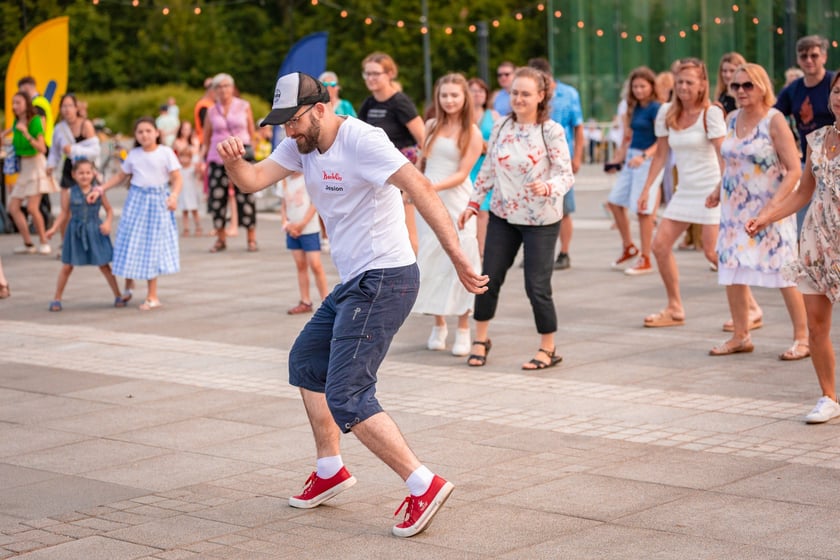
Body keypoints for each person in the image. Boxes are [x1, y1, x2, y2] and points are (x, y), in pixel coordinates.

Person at [216, 71, 487, 537]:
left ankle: (423, 483)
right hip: (356, 281)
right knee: (306, 362)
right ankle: (329, 469)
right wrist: (232, 162)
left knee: (347, 394)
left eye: (294, 121)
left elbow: (419, 188)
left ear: (320, 109)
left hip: (386, 277)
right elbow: (253, 179)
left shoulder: (362, 140)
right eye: (281, 124)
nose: (288, 131)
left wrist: (457, 255)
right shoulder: (301, 143)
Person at [458, 66, 574, 370]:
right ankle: (481, 339)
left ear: (540, 96)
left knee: (536, 285)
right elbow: (489, 170)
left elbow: (566, 175)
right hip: (503, 215)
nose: (519, 99)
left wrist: (548, 186)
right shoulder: (501, 127)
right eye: (515, 93)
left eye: (525, 93)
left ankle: (548, 347)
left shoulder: (551, 131)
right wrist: (472, 204)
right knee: (488, 278)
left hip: (541, 220)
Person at [745, 71, 840, 423]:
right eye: (836, 91)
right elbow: (803, 192)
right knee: (816, 326)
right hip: (817, 242)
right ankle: (829, 397)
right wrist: (767, 216)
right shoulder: (816, 139)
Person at [705, 63, 808, 359]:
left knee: (783, 271)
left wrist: (772, 210)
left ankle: (803, 338)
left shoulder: (774, 121)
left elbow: (793, 171)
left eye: (747, 85)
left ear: (762, 86)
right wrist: (717, 189)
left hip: (770, 209)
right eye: (735, 86)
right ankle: (741, 335)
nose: (740, 91)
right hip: (734, 210)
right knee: (732, 269)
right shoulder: (733, 118)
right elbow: (733, 164)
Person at [639, 58, 725, 328]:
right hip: (684, 191)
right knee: (660, 246)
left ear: (702, 85)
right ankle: (674, 307)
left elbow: (724, 156)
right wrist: (647, 189)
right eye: (679, 81)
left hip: (712, 188)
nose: (683, 86)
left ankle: (750, 307)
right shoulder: (666, 111)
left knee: (712, 253)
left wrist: (722, 188)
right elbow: (661, 155)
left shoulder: (711, 113)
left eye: (689, 82)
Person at [414, 73, 483, 356]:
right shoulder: (430, 125)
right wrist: (416, 187)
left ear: (464, 97)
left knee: (462, 260)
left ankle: (464, 328)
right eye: (444, 95)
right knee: (430, 261)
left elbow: (462, 174)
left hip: (456, 201)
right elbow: (420, 163)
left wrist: (431, 186)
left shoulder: (472, 132)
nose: (449, 100)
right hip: (427, 201)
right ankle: (438, 324)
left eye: (455, 95)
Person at [88, 116, 182, 311]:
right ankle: (128, 284)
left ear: (157, 132)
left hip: (158, 204)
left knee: (151, 248)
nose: (145, 135)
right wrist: (101, 188)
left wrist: (174, 196)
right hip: (136, 201)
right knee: (128, 243)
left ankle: (152, 295)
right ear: (136, 136)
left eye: (148, 130)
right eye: (140, 132)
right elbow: (121, 176)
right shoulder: (134, 154)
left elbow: (176, 178)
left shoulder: (165, 153)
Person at [358, 52, 425, 254]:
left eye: (375, 73)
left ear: (389, 74)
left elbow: (424, 140)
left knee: (408, 234)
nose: (370, 78)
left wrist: (415, 179)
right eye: (367, 74)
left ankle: (415, 279)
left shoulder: (400, 102)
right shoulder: (369, 104)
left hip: (402, 174)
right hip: (378, 176)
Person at [44, 160, 128, 311]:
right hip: (75, 231)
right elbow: (64, 213)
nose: (84, 176)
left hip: (95, 229)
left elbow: (109, 210)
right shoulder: (69, 192)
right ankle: (57, 298)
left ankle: (117, 295)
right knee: (67, 267)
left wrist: (108, 223)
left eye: (88, 172)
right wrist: (53, 228)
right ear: (74, 175)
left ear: (93, 174)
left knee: (104, 265)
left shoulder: (98, 191)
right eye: (81, 173)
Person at [604, 66, 663, 275]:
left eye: (642, 86)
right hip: (631, 158)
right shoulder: (634, 107)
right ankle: (629, 246)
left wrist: (645, 156)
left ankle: (645, 257)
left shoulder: (657, 108)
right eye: (635, 86)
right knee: (615, 201)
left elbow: (663, 141)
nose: (638, 90)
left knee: (642, 209)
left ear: (651, 86)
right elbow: (627, 137)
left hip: (648, 160)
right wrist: (616, 160)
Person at [775, 35, 835, 236]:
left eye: (814, 55)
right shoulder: (793, 90)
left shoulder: (833, 84)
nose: (809, 60)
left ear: (824, 57)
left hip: (835, 160)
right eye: (804, 56)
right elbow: (773, 117)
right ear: (798, 60)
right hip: (808, 159)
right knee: (802, 214)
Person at [527, 57, 584, 271]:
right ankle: (536, 254)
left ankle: (564, 252)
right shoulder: (530, 95)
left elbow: (578, 127)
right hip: (533, 161)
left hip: (560, 159)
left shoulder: (569, 94)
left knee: (564, 209)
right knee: (532, 207)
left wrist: (577, 156)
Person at [200, 73, 258, 253]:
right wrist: (202, 159)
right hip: (218, 158)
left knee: (246, 194)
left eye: (226, 86)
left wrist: (253, 151)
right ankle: (220, 238)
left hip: (242, 154)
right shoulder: (211, 111)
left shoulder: (244, 106)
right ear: (214, 91)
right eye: (219, 87)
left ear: (232, 88)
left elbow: (251, 131)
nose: (223, 90)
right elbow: (206, 136)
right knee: (217, 198)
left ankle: (251, 238)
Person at [4, 91, 55, 255]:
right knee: (13, 207)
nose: (14, 106)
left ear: (26, 103)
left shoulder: (35, 122)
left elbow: (42, 148)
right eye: (13, 103)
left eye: (18, 103)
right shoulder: (16, 121)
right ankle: (28, 243)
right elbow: (11, 138)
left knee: (33, 208)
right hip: (24, 167)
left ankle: (43, 241)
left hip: (36, 165)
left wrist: (26, 132)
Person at [280, 171, 328, 315]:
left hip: (309, 229)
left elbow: (315, 204)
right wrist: (286, 223)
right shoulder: (284, 180)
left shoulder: (309, 178)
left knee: (315, 265)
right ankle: (305, 300)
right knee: (300, 265)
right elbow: (283, 204)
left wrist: (303, 223)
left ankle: (326, 301)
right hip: (292, 230)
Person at [467, 77, 499, 257]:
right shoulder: (463, 115)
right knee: (467, 208)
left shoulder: (493, 116)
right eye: (473, 90)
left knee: (483, 211)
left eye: (481, 91)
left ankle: (482, 251)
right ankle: (470, 249)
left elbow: (500, 141)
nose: (477, 94)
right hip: (468, 166)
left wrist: (485, 145)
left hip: (485, 166)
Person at [47, 94, 100, 191]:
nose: (67, 109)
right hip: (69, 167)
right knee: (65, 203)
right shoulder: (59, 128)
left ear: (76, 108)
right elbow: (54, 151)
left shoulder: (86, 124)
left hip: (86, 169)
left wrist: (73, 150)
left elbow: (95, 151)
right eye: (64, 106)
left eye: (70, 106)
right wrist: (50, 166)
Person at [173, 121, 203, 237]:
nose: (186, 131)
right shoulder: (177, 142)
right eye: (184, 129)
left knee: (194, 209)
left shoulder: (194, 141)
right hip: (183, 187)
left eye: (188, 129)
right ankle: (186, 228)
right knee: (184, 209)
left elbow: (197, 154)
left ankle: (198, 226)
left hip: (192, 175)